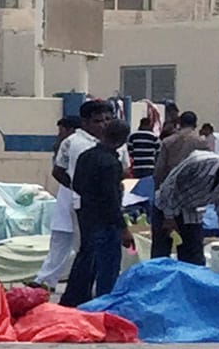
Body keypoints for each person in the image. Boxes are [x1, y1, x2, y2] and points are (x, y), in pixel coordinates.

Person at [33, 101, 113, 289]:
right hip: (77, 199)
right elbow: (58, 171)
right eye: (98, 121)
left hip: (100, 200)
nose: (104, 124)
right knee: (77, 243)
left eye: (108, 120)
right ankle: (46, 281)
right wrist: (79, 188)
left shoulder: (110, 142)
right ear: (85, 123)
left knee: (91, 245)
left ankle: (92, 287)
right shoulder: (75, 143)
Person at [60, 120, 134, 307]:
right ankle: (104, 305)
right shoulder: (111, 163)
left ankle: (77, 300)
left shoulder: (86, 156)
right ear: (122, 140)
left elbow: (75, 183)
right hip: (106, 222)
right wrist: (123, 228)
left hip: (86, 214)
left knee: (86, 259)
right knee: (107, 268)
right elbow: (111, 200)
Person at [155, 151, 219, 265]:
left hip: (192, 211)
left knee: (194, 257)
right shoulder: (198, 162)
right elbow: (170, 184)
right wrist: (168, 217)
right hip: (166, 204)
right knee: (161, 251)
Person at [151, 110, 208, 259]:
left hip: (166, 201)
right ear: (196, 124)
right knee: (191, 251)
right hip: (191, 203)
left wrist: (159, 196)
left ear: (179, 123)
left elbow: (158, 173)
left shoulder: (168, 142)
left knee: (161, 251)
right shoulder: (202, 143)